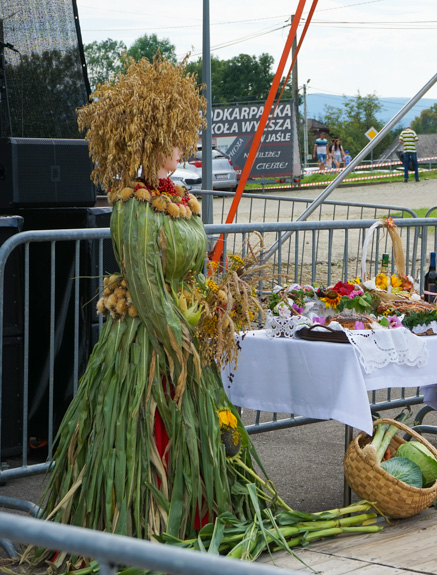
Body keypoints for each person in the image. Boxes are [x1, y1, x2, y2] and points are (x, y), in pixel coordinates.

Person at [25, 56, 266, 567]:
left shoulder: (179, 198)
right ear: (148, 140)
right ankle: (139, 528)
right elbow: (146, 285)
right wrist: (177, 338)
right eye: (173, 138)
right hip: (146, 344)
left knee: (195, 433)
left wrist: (210, 300)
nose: (182, 148)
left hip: (185, 334)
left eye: (183, 137)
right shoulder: (132, 207)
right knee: (145, 429)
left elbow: (187, 269)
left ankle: (196, 521)